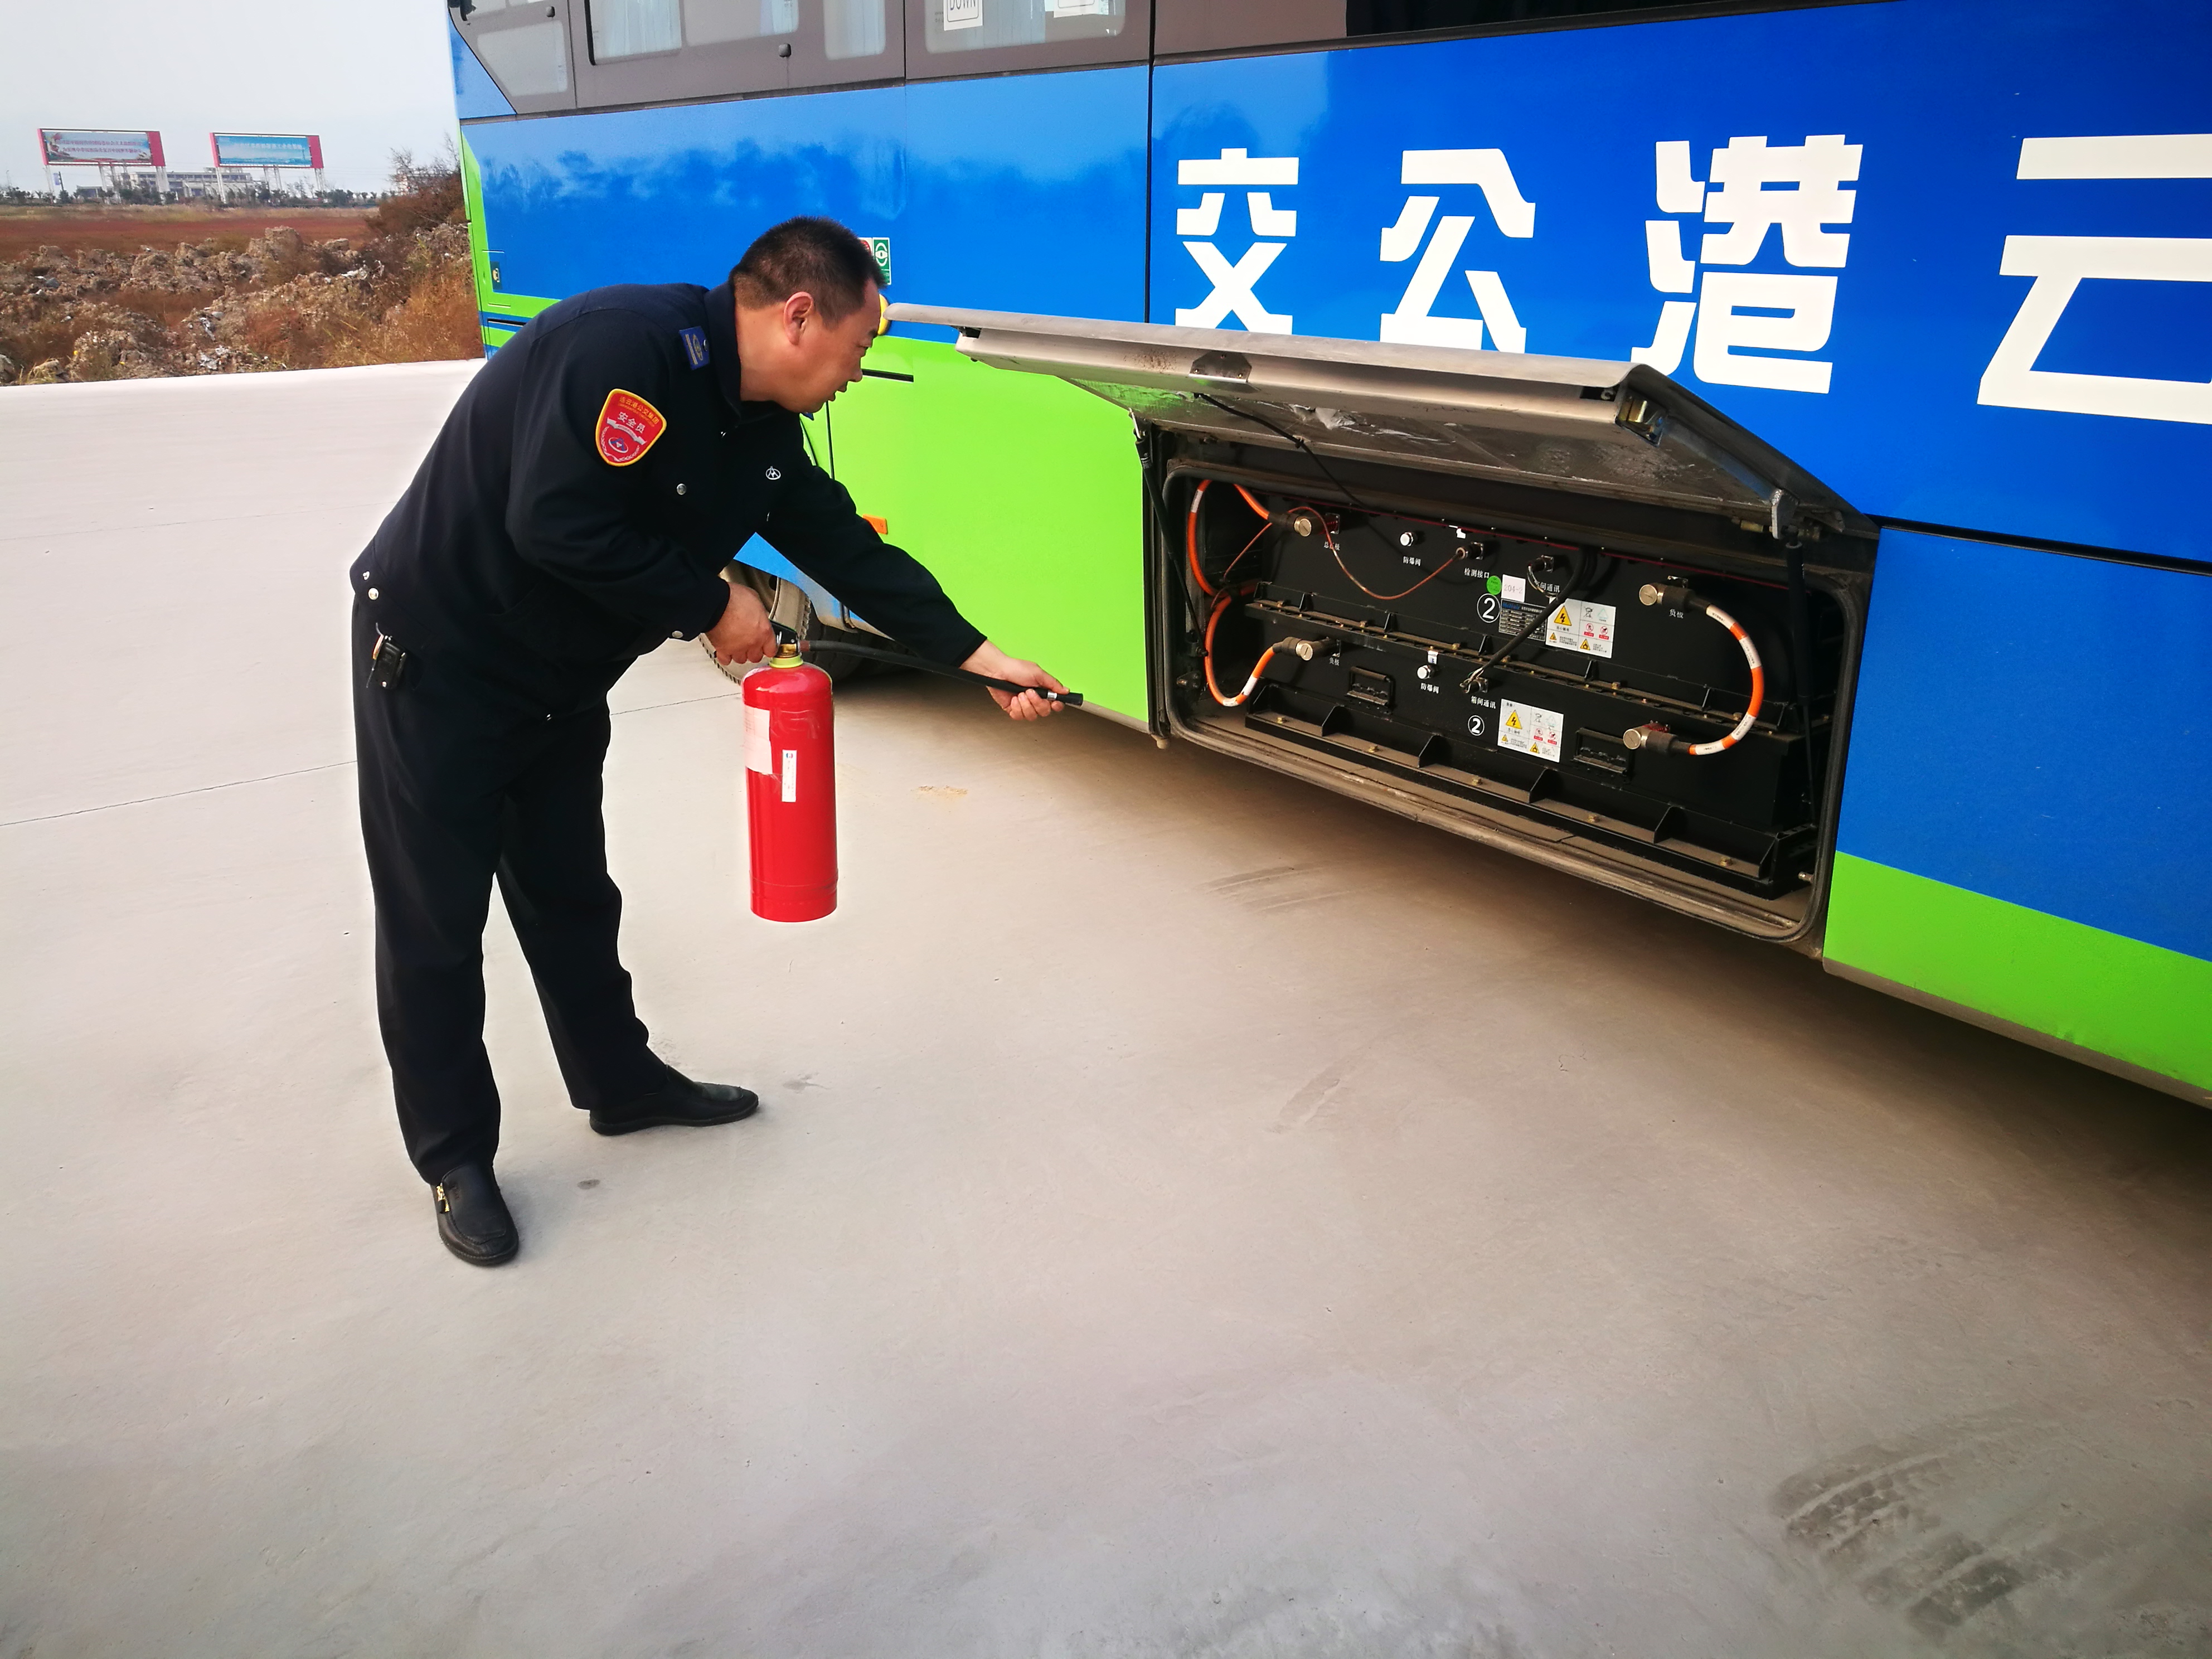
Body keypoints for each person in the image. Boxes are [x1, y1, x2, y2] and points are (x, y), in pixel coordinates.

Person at [350, 216, 1064, 1266]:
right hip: (439, 658)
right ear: (799, 315)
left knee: (571, 894)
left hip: (556, 679)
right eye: (859, 348)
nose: (857, 374)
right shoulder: (622, 350)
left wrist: (981, 658)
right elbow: (555, 520)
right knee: (437, 923)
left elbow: (843, 547)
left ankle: (620, 1083)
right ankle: (455, 1156)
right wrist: (713, 602)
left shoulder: (761, 424)